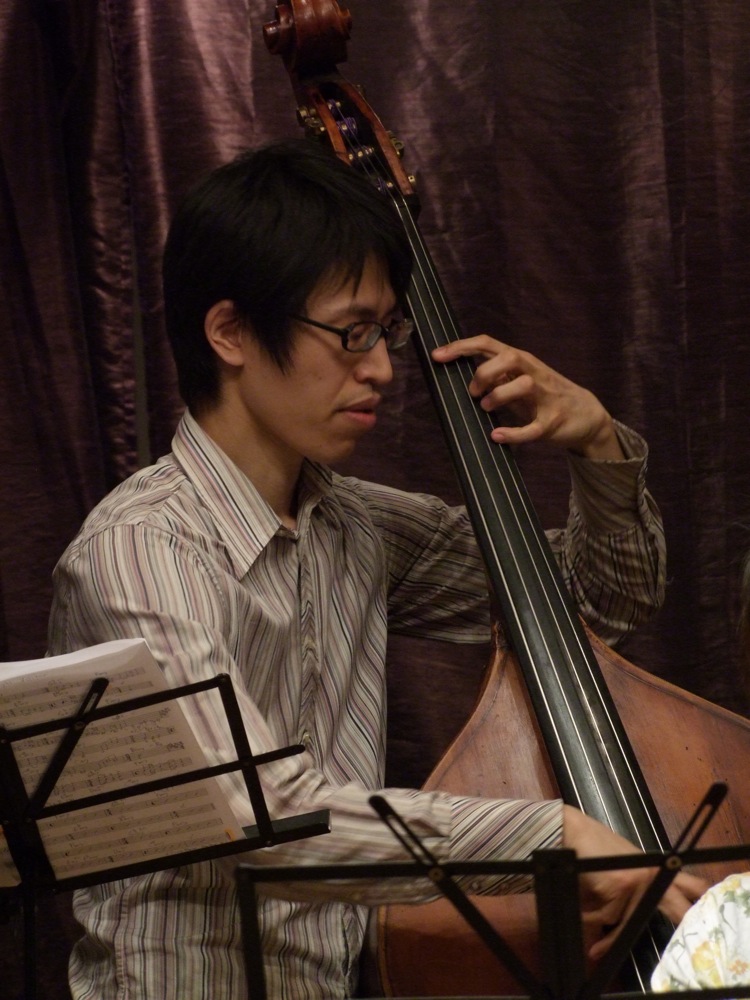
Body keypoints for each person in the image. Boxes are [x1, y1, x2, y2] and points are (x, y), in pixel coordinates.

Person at [48, 138, 706, 1000]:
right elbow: (257, 817)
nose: (385, 369)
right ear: (230, 332)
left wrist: (597, 443)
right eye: (352, 333)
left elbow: (600, 600)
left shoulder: (357, 526)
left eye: (387, 332)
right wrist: (549, 835)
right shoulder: (140, 552)